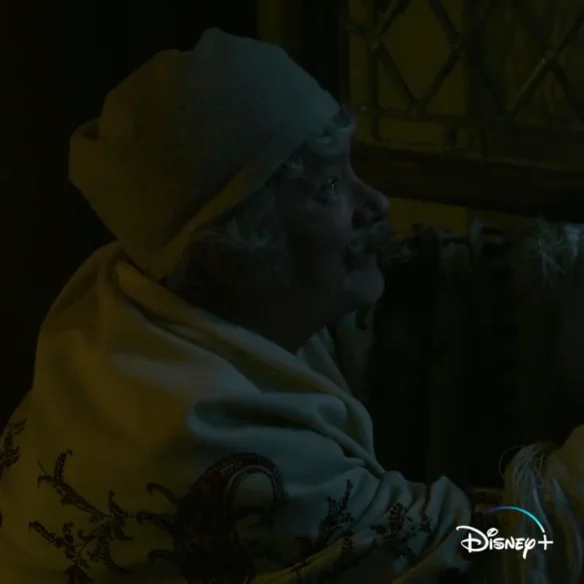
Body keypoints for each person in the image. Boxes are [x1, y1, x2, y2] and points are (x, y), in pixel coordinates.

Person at [0, 28, 483, 583]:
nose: (376, 202)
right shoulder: (218, 441)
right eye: (329, 188)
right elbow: (485, 547)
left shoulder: (121, 296)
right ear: (231, 252)